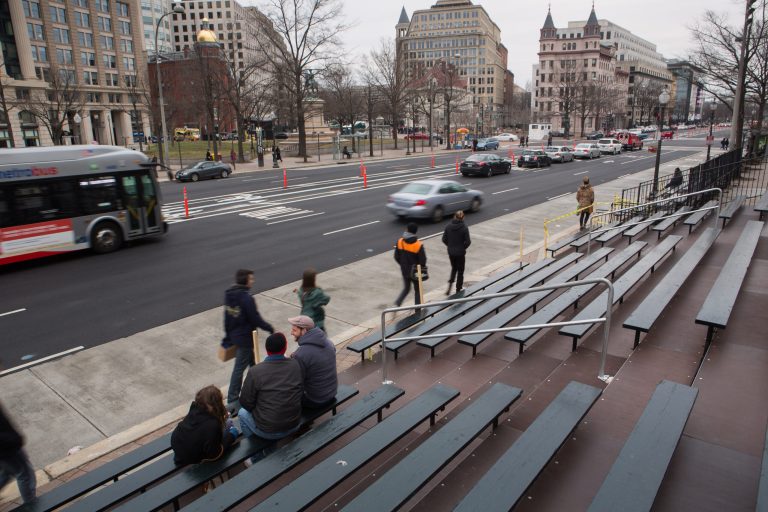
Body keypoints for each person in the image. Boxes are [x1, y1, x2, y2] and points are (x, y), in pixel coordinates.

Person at [238, 332, 303, 464]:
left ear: (267, 350)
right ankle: (268, 449)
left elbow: (245, 402)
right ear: (285, 347)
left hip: (269, 430)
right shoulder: (295, 365)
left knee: (242, 413)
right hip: (294, 423)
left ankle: (257, 457)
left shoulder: (255, 371)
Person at [223, 269, 275, 415]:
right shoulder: (246, 298)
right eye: (251, 279)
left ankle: (259, 387)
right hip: (245, 339)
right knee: (239, 369)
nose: (253, 281)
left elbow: (227, 317)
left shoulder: (229, 295)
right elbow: (255, 318)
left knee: (253, 365)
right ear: (245, 280)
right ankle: (232, 401)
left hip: (236, 336)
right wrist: (269, 328)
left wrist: (228, 336)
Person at [171, 385, 239, 465]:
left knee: (226, 425)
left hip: (177, 444)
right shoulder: (213, 424)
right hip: (192, 457)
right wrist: (232, 436)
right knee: (230, 428)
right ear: (216, 404)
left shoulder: (194, 409)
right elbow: (215, 454)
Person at [288, 315, 338, 408]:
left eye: (294, 330)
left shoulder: (300, 355)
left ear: (304, 330)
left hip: (315, 400)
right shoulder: (329, 343)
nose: (291, 333)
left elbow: (296, 382)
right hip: (332, 392)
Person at [0, 402, 36, 505]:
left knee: (8, 471)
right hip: (7, 447)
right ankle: (31, 505)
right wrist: (14, 440)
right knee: (25, 474)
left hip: (7, 446)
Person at [394, 222, 427, 307]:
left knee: (406, 288)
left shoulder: (400, 241)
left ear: (407, 230)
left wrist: (402, 264)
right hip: (415, 271)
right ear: (415, 232)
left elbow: (396, 257)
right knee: (417, 290)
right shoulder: (418, 244)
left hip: (404, 270)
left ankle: (397, 303)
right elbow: (423, 261)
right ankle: (417, 310)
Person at [442, 211, 471, 295]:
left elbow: (444, 239)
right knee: (460, 271)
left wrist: (450, 246)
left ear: (455, 216)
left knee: (454, 268)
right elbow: (468, 242)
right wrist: (462, 248)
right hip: (460, 253)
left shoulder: (448, 226)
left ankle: (449, 287)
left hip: (451, 253)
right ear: (463, 217)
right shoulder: (464, 227)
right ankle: (458, 289)